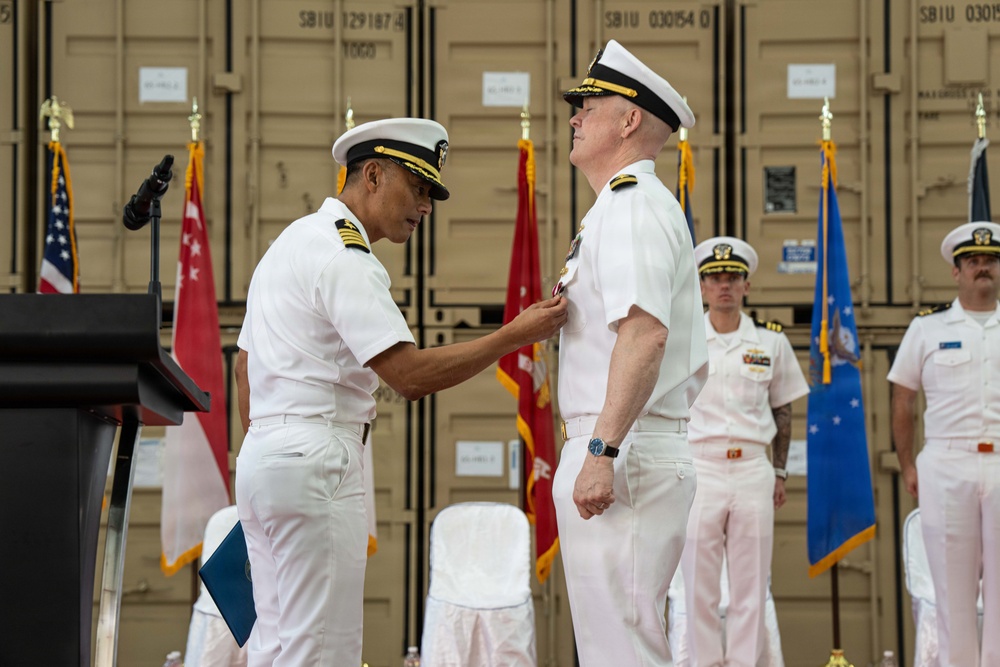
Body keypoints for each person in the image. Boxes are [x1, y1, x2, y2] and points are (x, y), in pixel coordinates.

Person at [234, 118, 568, 667]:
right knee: (321, 651)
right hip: (316, 463)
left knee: (274, 648)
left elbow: (244, 367)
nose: (426, 206)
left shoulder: (289, 243)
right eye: (416, 187)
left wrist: (274, 448)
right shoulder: (346, 257)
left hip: (265, 462)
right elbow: (408, 376)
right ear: (371, 174)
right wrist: (514, 335)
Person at [550, 39, 709, 666]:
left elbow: (645, 333)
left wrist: (601, 451)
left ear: (630, 120)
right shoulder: (614, 209)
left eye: (589, 105)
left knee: (623, 648)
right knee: (614, 643)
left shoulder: (634, 206)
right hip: (620, 445)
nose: (574, 117)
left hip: (623, 448)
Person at [679, 236, 809, 667]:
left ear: (746, 286)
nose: (724, 286)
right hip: (700, 467)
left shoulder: (770, 342)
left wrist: (779, 473)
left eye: (732, 278)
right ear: (701, 287)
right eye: (715, 278)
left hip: (753, 468)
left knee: (751, 583)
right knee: (698, 583)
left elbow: (783, 408)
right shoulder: (684, 340)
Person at [888, 221, 1000, 667]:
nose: (982, 267)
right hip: (946, 462)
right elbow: (903, 399)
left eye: (989, 260)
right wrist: (908, 466)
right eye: (972, 261)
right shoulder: (927, 328)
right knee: (952, 591)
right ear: (956, 272)